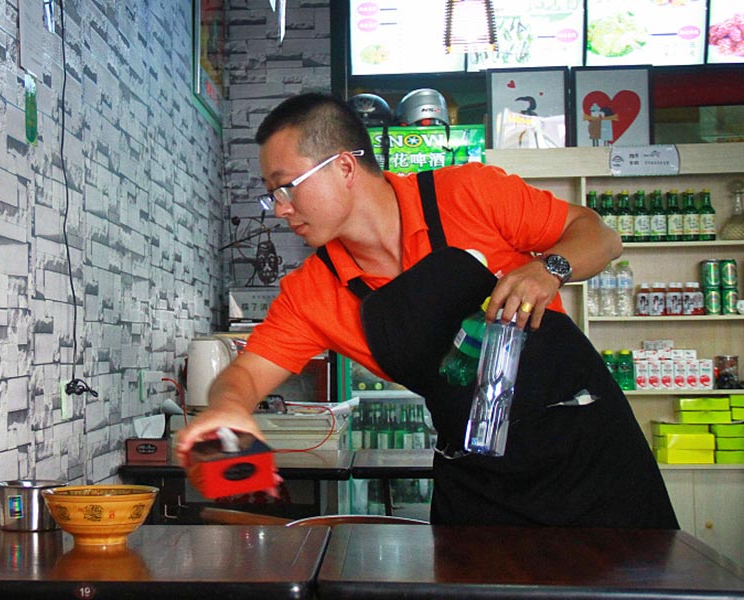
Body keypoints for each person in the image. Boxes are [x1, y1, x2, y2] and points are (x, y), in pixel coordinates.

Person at [176, 93, 678, 529]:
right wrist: (228, 407)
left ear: (344, 167)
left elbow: (602, 237)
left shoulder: (467, 194)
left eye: (287, 186)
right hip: (478, 485)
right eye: (273, 195)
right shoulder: (315, 290)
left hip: (587, 456)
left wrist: (549, 269)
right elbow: (244, 375)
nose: (280, 208)